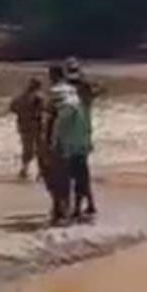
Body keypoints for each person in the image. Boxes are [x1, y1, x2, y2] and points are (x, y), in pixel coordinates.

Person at [52, 78, 94, 223]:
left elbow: (59, 131)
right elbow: (85, 130)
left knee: (69, 181)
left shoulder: (67, 109)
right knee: (80, 180)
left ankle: (70, 210)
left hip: (70, 150)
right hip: (78, 149)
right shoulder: (79, 107)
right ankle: (76, 209)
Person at [42, 65, 76, 225]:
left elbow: (49, 119)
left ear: (53, 75)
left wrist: (48, 143)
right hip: (74, 139)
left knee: (53, 176)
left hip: (58, 141)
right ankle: (65, 209)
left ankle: (59, 210)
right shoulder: (72, 93)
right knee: (66, 177)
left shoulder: (54, 93)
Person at [8, 78, 44, 180]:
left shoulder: (20, 98)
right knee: (39, 150)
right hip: (36, 126)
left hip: (24, 126)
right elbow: (44, 111)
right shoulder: (38, 98)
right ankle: (39, 171)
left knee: (28, 149)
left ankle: (25, 170)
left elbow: (12, 108)